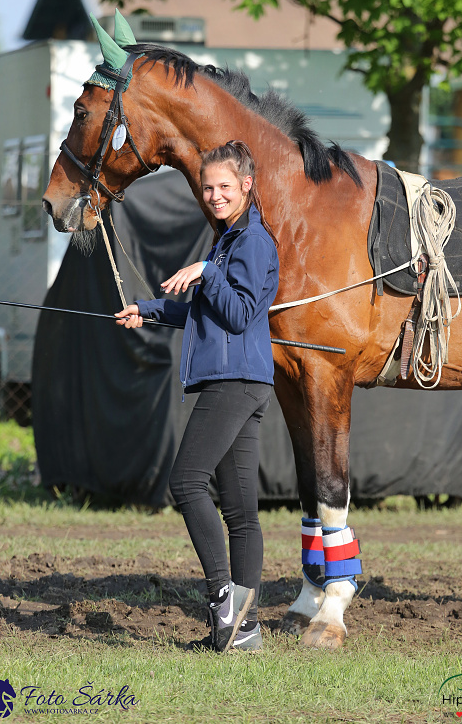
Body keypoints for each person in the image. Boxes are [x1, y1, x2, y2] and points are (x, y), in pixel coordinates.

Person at [116, 140, 279, 653]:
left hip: (235, 382)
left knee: (186, 483)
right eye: (208, 187)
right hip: (238, 380)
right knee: (239, 511)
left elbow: (237, 314)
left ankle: (222, 598)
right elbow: (207, 313)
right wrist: (150, 309)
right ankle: (241, 634)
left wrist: (206, 272)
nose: (213, 195)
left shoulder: (250, 242)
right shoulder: (227, 238)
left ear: (246, 186)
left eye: (224, 187)